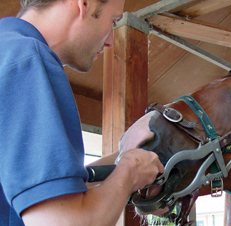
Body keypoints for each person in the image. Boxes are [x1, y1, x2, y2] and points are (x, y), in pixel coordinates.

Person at [0, 0, 164, 225]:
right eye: (113, 21)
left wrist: (124, 157)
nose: (109, 42)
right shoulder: (28, 58)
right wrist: (130, 170)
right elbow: (63, 221)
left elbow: (47, 194)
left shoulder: (7, 52)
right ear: (84, 4)